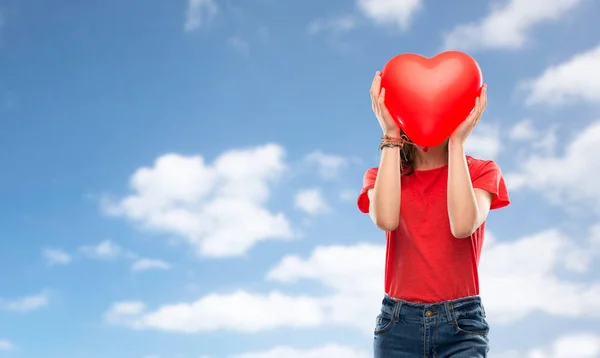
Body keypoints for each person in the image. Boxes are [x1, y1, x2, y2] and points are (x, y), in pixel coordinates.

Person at [357, 71, 510, 358]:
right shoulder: (380, 175)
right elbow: (386, 220)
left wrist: (457, 143)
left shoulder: (481, 172)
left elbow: (463, 225)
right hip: (397, 325)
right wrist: (391, 134)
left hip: (462, 324)